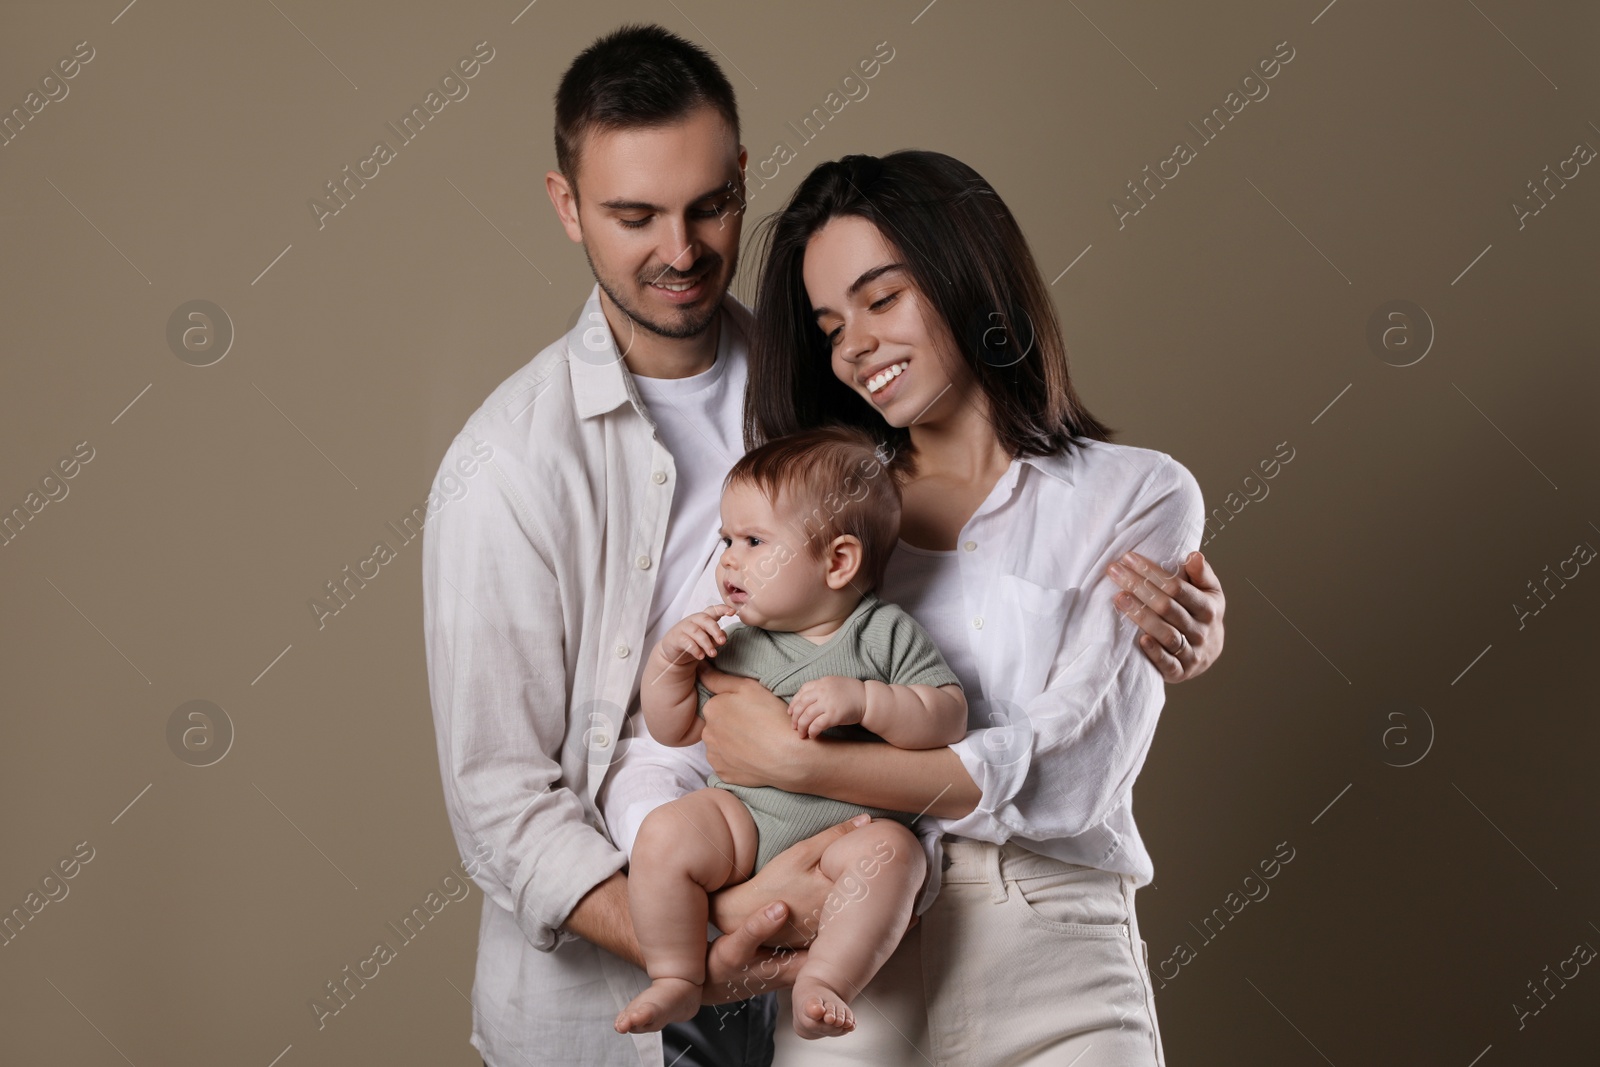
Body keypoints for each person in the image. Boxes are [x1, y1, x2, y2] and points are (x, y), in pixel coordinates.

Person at [423, 22, 1226, 1067]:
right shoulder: (508, 464)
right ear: (566, 205)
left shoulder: (819, 415)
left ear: (741, 179)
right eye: (633, 215)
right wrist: (716, 932)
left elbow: (1013, 645)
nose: (679, 249)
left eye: (707, 206)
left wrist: (1162, 644)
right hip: (632, 969)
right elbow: (501, 794)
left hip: (852, 938)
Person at [685, 148, 1212, 1065]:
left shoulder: (1135, 497)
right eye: (828, 324)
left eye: (882, 298)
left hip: (1057, 957)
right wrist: (731, 899)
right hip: (847, 968)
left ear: (967, 273)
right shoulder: (814, 520)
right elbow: (721, 730)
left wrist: (804, 762)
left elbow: (1073, 765)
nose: (853, 346)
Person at [617, 426, 967, 1040]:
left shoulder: (881, 633)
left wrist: (866, 700)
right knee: (666, 832)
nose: (729, 558)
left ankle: (825, 977)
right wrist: (668, 664)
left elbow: (947, 714)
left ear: (837, 562)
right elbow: (675, 730)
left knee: (894, 856)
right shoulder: (736, 640)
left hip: (847, 832)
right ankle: (676, 976)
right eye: (727, 539)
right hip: (745, 823)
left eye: (753, 541)